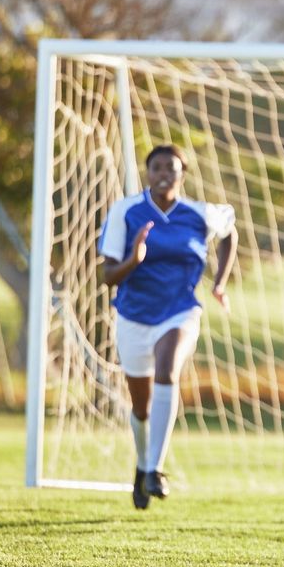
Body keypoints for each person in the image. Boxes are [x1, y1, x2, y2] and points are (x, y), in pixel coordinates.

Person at [99, 144, 237, 511]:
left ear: (182, 174)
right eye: (156, 166)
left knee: (167, 370)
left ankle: (155, 470)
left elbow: (229, 231)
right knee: (141, 407)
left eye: (171, 168)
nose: (163, 173)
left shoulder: (197, 213)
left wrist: (219, 282)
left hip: (180, 312)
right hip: (133, 316)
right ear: (147, 172)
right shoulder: (125, 211)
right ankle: (142, 467)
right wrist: (135, 259)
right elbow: (107, 274)